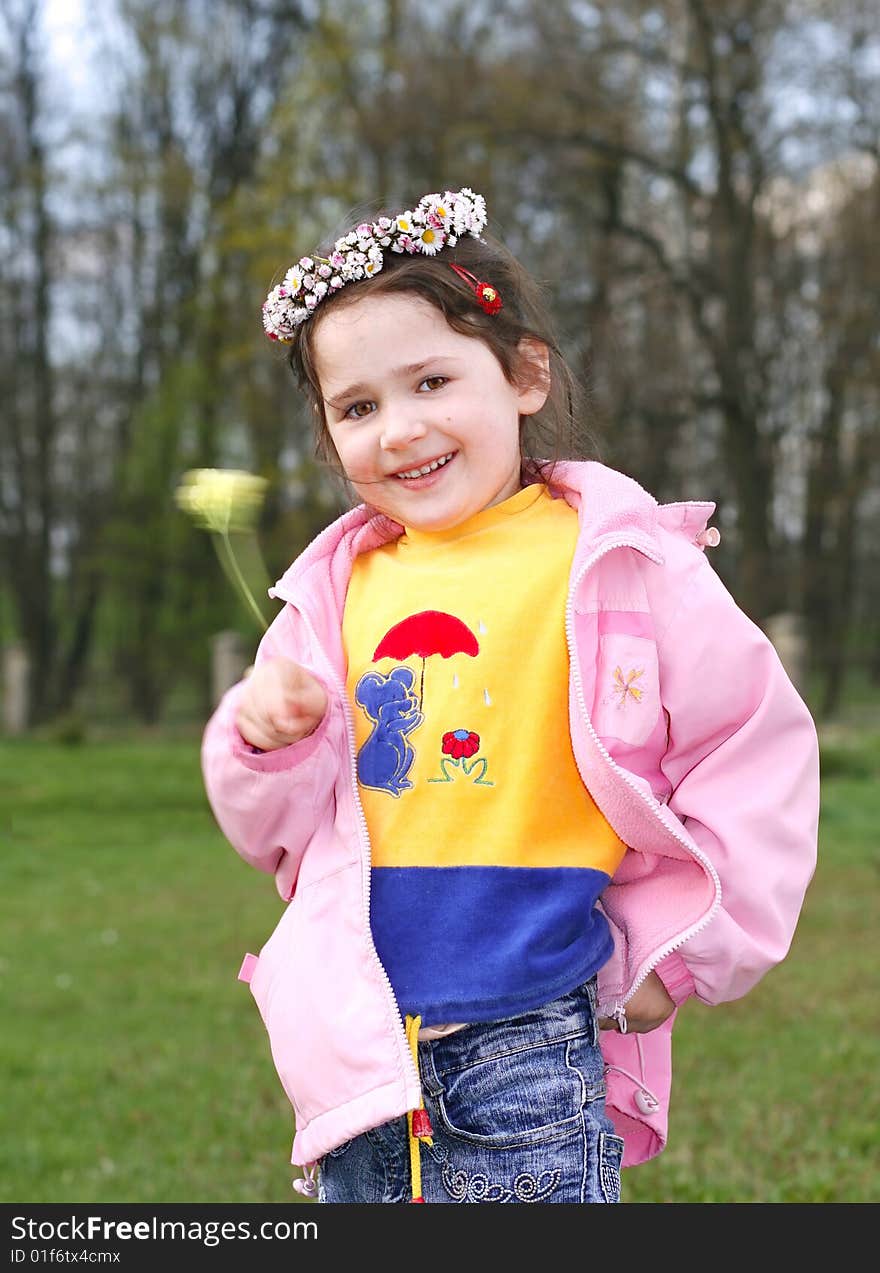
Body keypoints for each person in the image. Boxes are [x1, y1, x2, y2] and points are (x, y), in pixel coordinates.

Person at [201, 187, 819, 1204]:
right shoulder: (328, 597)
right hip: (359, 1051)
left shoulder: (617, 559)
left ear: (523, 374)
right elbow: (274, 832)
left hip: (532, 1032)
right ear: (326, 434)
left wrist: (691, 949)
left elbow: (753, 749)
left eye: (431, 380)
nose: (399, 430)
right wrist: (265, 743)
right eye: (357, 407)